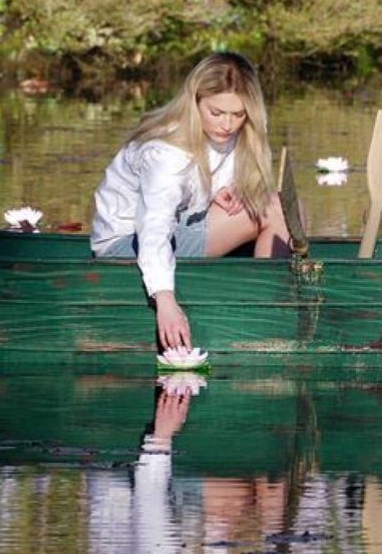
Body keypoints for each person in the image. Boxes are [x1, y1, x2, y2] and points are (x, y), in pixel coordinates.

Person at [91, 51, 290, 349]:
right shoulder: (164, 151)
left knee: (280, 204)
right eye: (217, 112)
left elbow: (197, 182)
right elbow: (154, 226)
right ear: (194, 102)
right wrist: (165, 300)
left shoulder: (230, 133)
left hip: (180, 225)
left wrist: (215, 193)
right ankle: (268, 311)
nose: (228, 124)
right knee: (275, 209)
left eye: (238, 114)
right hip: (125, 243)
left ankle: (270, 299)